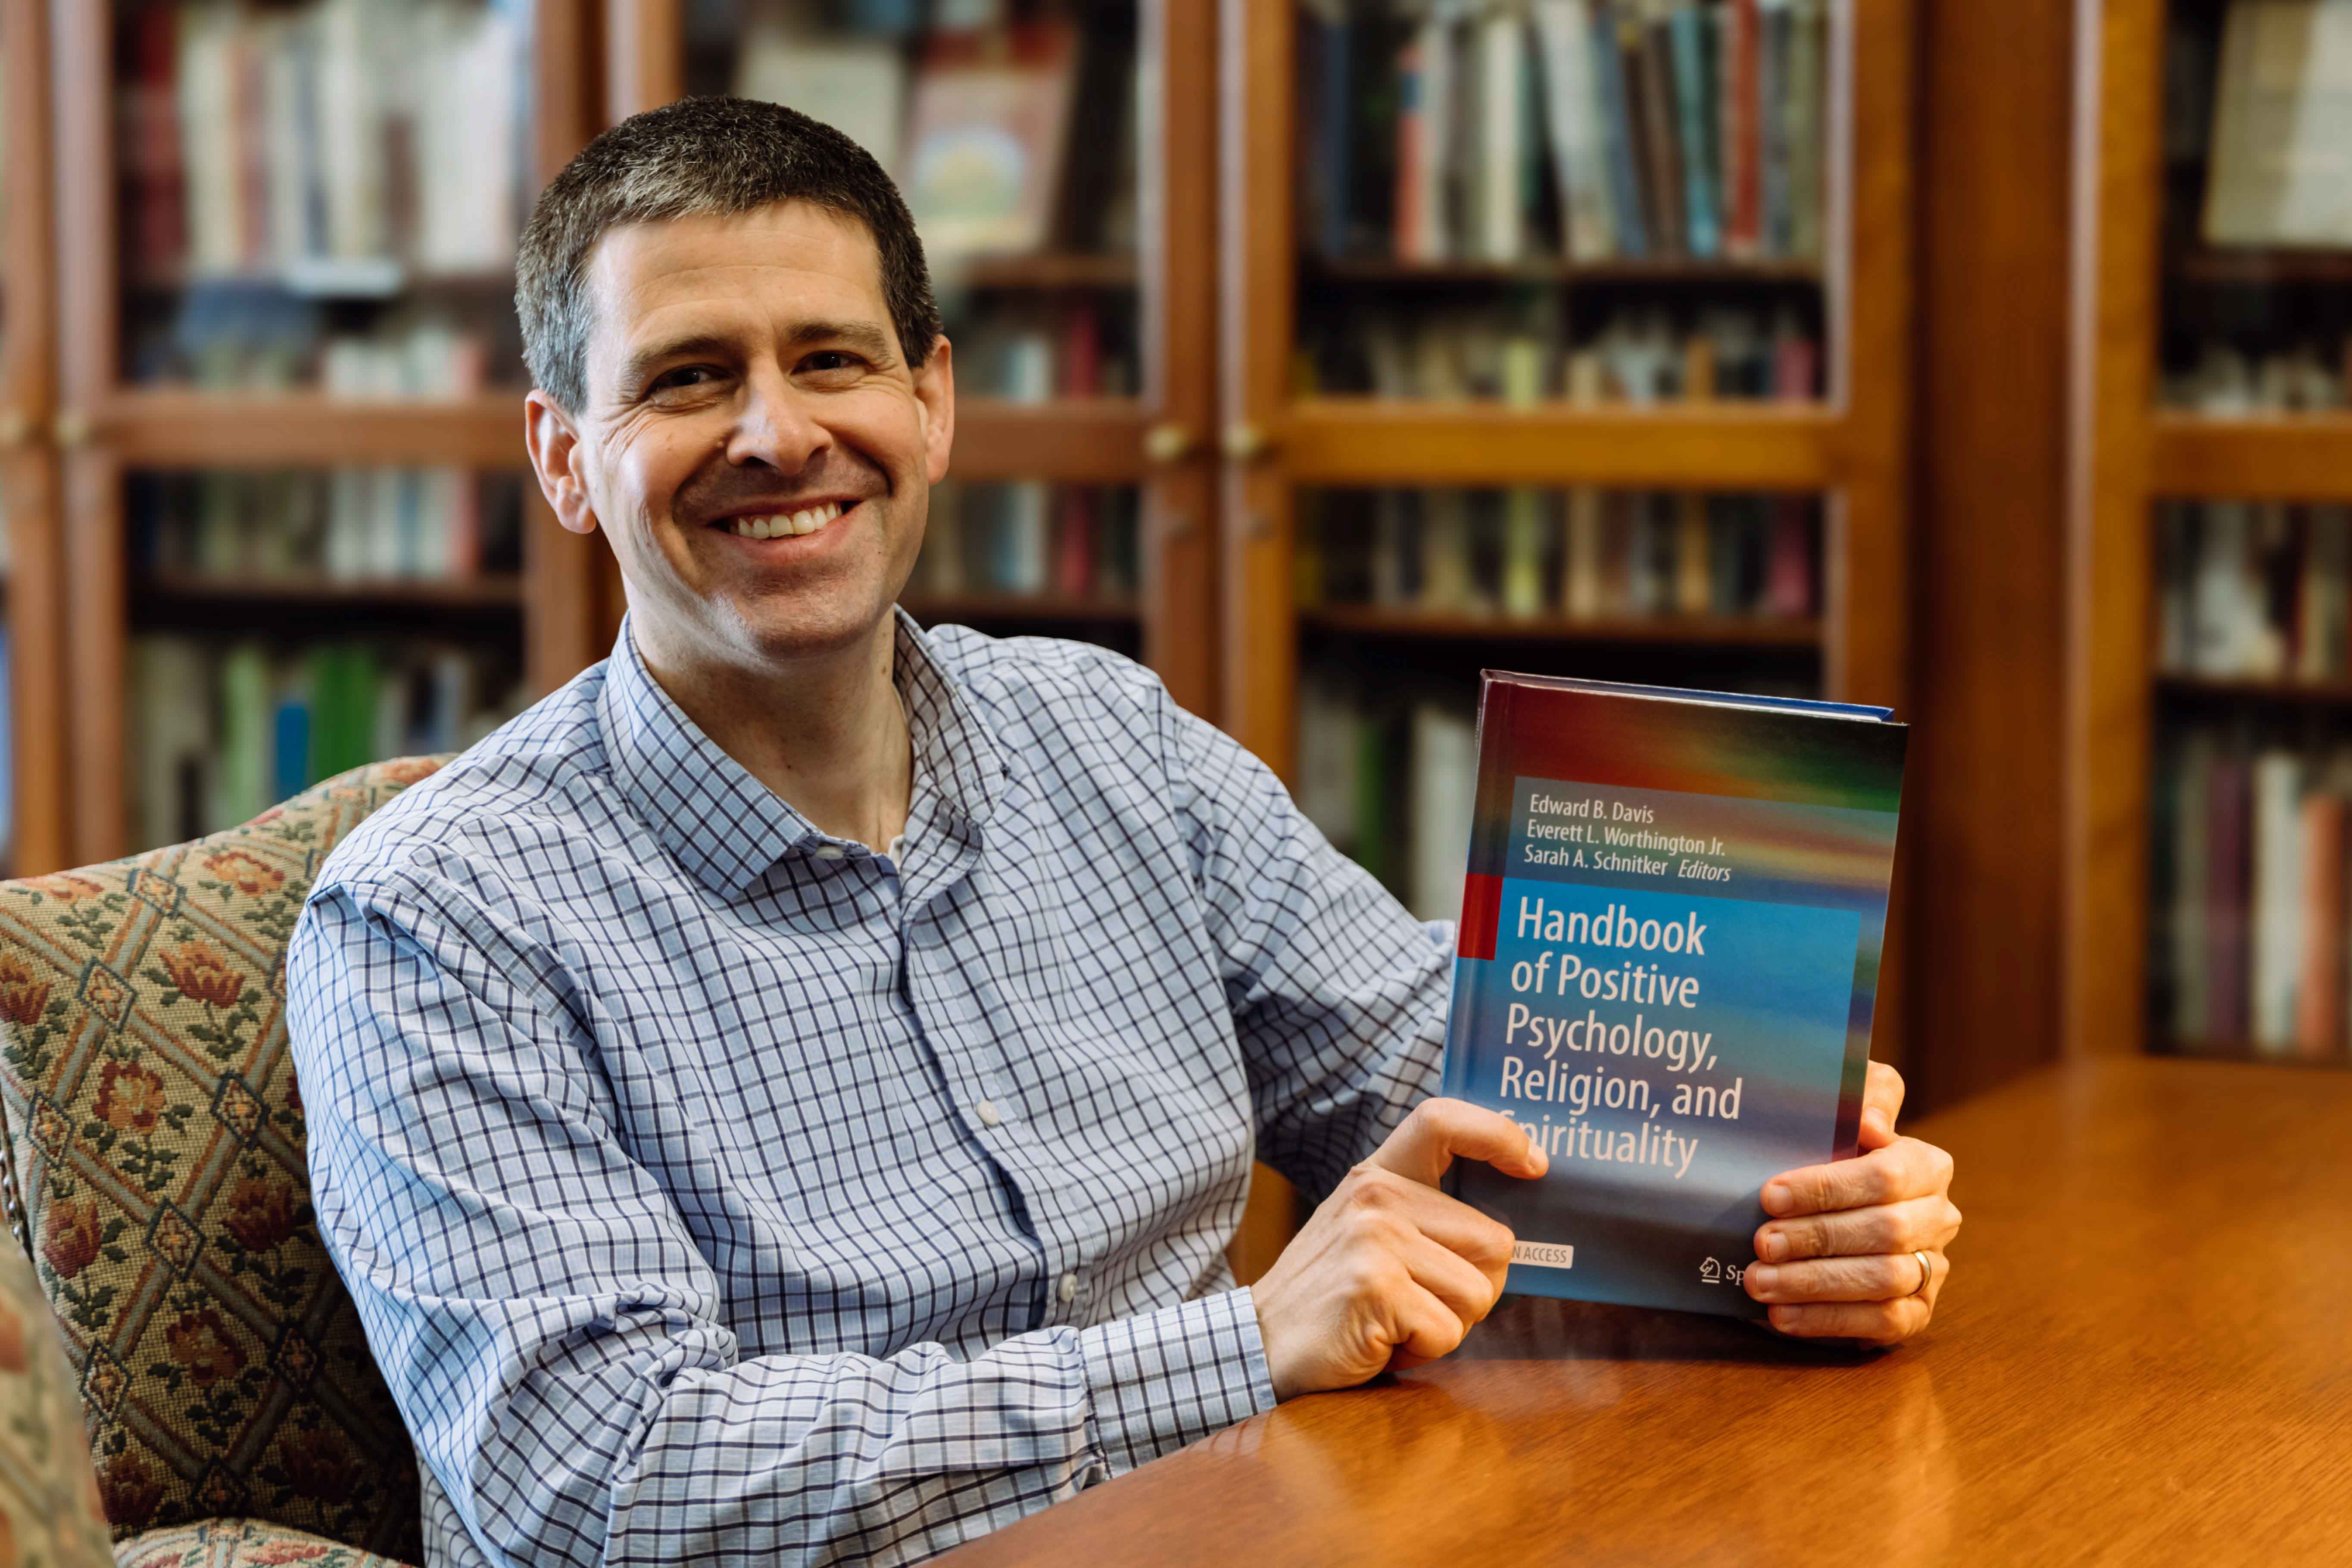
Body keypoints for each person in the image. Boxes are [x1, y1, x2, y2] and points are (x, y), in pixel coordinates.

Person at [286, 98, 1962, 1568]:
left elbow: (1466, 1107)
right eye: (687, 378)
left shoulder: (1110, 740)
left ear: (932, 403)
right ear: (563, 455)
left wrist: (1772, 1198)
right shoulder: (440, 921)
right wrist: (1243, 1350)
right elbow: (599, 1484)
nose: (779, 434)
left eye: (832, 358)